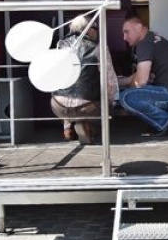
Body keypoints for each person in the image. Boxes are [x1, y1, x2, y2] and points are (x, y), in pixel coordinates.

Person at [50, 16, 118, 145]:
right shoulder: (99, 48)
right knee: (108, 107)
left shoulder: (60, 45)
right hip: (87, 108)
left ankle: (67, 127)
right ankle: (88, 128)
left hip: (57, 106)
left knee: (65, 90)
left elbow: (57, 79)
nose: (97, 32)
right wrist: (111, 103)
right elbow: (110, 82)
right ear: (88, 30)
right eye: (95, 28)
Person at [118, 17, 168, 136]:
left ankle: (166, 121)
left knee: (126, 96)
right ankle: (158, 122)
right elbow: (142, 76)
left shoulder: (145, 44)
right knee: (127, 92)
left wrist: (124, 83)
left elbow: (140, 81)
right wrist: (125, 81)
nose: (124, 38)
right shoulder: (151, 40)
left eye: (127, 32)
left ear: (138, 28)